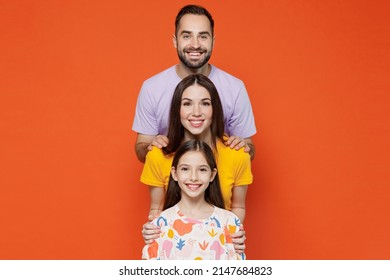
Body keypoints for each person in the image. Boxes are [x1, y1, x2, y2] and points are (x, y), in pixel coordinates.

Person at [141, 74, 252, 254]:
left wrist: (234, 233)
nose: (196, 112)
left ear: (215, 108)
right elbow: (156, 208)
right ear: (177, 109)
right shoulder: (157, 155)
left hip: (218, 251)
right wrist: (151, 229)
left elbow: (238, 206)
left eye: (205, 103)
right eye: (187, 103)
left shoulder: (238, 155)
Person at [133, 4, 256, 163]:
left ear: (213, 41)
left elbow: (249, 148)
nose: (196, 44)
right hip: (169, 183)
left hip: (220, 183)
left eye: (203, 36)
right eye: (186, 36)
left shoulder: (235, 88)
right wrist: (150, 147)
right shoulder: (152, 88)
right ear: (175, 41)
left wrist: (245, 148)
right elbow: (141, 148)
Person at [142, 140, 245, 260]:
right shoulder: (160, 224)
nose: (194, 177)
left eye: (202, 170)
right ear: (175, 173)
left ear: (212, 175)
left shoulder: (230, 222)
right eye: (185, 169)